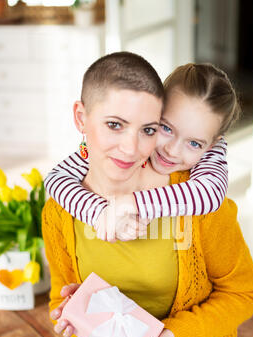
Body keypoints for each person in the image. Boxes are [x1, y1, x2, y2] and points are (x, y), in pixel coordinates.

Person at [41, 52, 253, 337]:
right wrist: (74, 308)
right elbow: (65, 289)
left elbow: (244, 293)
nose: (133, 146)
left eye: (193, 142)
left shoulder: (201, 204)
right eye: (161, 129)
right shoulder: (63, 206)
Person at [44, 72, 229, 242]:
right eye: (166, 128)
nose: (172, 151)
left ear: (211, 145)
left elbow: (210, 192)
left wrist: (131, 203)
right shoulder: (129, 144)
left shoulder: (212, 153)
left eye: (194, 144)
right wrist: (101, 212)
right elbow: (55, 178)